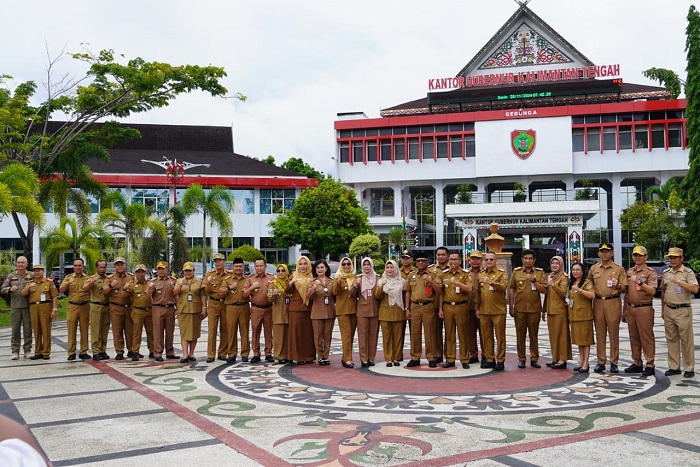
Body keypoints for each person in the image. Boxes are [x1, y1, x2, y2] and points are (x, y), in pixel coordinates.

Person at [587, 243, 627, 373]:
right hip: (598, 302)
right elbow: (589, 285)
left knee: (613, 333)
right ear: (598, 253)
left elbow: (625, 288)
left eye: (607, 251)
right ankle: (601, 361)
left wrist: (618, 285)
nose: (604, 254)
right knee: (600, 333)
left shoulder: (619, 269)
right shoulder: (594, 269)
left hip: (613, 302)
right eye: (602, 251)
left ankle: (614, 362)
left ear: (612, 253)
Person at [661, 247, 698, 378]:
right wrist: (662, 308)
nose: (672, 260)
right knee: (671, 339)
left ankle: (689, 367)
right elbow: (663, 291)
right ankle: (674, 366)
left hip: (683, 309)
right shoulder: (666, 273)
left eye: (675, 257)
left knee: (686, 340)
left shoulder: (687, 272)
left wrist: (680, 282)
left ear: (681, 258)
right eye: (670, 257)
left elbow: (695, 288)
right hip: (669, 309)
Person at [508, 249, 546, 369]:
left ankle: (534, 358)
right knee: (520, 335)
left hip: (534, 309)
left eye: (530, 258)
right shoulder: (516, 272)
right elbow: (512, 289)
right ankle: (522, 358)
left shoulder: (539, 273)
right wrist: (511, 306)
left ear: (534, 260)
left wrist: (534, 280)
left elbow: (544, 290)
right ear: (522, 259)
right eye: (526, 258)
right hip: (520, 309)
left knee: (534, 335)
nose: (528, 261)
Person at [623, 246, 658, 376]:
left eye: (640, 255)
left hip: (644, 307)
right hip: (631, 307)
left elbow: (653, 291)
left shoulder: (650, 272)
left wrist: (640, 283)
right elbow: (626, 293)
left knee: (646, 336)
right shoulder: (629, 272)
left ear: (646, 257)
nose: (637, 257)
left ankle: (650, 364)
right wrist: (624, 310)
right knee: (634, 336)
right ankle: (637, 362)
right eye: (635, 255)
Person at [404, 252, 442, 368]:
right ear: (416, 262)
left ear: (427, 262)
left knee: (430, 332)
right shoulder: (411, 275)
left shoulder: (433, 274)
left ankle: (431, 357)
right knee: (415, 332)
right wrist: (407, 308)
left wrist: (430, 281)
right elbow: (408, 292)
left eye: (423, 261)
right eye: (419, 261)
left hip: (428, 306)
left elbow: (439, 290)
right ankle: (415, 357)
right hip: (415, 306)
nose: (420, 263)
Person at [440, 251, 473, 368]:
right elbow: (441, 292)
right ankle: (450, 358)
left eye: (455, 259)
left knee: (463, 333)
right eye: (451, 259)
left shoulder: (465, 274)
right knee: (449, 333)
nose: (453, 262)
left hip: (461, 306)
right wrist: (440, 308)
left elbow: (469, 288)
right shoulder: (444, 274)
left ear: (460, 261)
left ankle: (464, 359)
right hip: (447, 306)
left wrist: (458, 283)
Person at [477, 251, 508, 371]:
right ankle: (489, 359)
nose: (489, 261)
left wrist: (492, 283)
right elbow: (478, 294)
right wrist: (477, 308)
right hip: (484, 310)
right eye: (487, 259)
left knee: (500, 337)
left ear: (496, 261)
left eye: (491, 259)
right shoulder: (481, 275)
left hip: (498, 310)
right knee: (486, 336)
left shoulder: (501, 274)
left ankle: (500, 360)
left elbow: (504, 287)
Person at [21, 264, 58, 360]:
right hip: (33, 307)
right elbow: (23, 293)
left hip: (45, 306)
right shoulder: (30, 282)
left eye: (39, 270)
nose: (37, 272)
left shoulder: (49, 282)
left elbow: (54, 296)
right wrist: (29, 287)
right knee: (36, 330)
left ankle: (46, 352)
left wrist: (54, 309)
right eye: (35, 271)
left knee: (45, 330)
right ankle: (38, 351)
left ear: (43, 271)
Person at [243, 258, 274, 363]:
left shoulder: (271, 277)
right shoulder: (250, 279)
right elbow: (244, 294)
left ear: (265, 266)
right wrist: (252, 288)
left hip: (269, 308)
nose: (259, 268)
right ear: (254, 267)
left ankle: (268, 353)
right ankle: (256, 353)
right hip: (256, 308)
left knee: (269, 331)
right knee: (255, 331)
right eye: (257, 266)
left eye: (261, 266)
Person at [1, 256, 33, 360]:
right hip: (15, 307)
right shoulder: (11, 276)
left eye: (22, 262)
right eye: (18, 262)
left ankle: (27, 350)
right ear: (16, 264)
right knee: (15, 330)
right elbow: (3, 288)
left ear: (26, 264)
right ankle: (15, 351)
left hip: (28, 307)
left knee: (28, 330)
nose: (20, 264)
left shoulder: (31, 275)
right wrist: (10, 289)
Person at [174, 262, 206, 363]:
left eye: (189, 271)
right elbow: (174, 293)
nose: (187, 273)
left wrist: (204, 308)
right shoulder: (179, 281)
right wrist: (180, 286)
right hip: (183, 310)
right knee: (184, 333)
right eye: (185, 271)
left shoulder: (199, 281)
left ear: (193, 271)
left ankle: (191, 353)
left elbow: (203, 295)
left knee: (194, 332)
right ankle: (185, 354)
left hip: (195, 310)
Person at [219, 258, 250, 363]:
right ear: (232, 267)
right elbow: (220, 293)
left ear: (243, 267)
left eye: (240, 266)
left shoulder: (247, 279)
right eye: (236, 266)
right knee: (231, 331)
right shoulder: (227, 280)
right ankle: (231, 354)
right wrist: (229, 288)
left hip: (244, 307)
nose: (238, 268)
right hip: (231, 307)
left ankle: (245, 354)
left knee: (244, 331)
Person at [102, 257, 134, 360]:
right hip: (116, 307)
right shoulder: (110, 278)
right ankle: (119, 351)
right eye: (117, 264)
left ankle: (131, 350)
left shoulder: (131, 277)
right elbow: (105, 291)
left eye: (122, 264)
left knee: (130, 330)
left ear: (125, 265)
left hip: (128, 307)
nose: (120, 266)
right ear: (114, 266)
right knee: (117, 330)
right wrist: (111, 286)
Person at [60, 258, 92, 360]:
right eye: (75, 265)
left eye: (79, 265)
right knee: (71, 329)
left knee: (84, 329)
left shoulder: (87, 278)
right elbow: (61, 290)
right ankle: (71, 352)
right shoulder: (68, 277)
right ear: (73, 267)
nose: (77, 267)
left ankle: (84, 351)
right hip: (72, 306)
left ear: (83, 266)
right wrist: (68, 283)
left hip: (85, 306)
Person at [286, 256, 315, 364]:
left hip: (309, 309)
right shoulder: (293, 276)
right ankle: (298, 357)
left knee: (308, 334)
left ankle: (309, 356)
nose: (303, 266)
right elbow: (287, 291)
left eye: (305, 264)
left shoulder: (313, 276)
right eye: (301, 264)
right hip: (296, 309)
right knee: (296, 334)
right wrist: (291, 283)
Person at [377, 260, 406, 367]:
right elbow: (377, 296)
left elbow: (404, 296)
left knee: (398, 337)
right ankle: (388, 358)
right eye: (387, 267)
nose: (389, 269)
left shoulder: (402, 281)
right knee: (387, 337)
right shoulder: (381, 281)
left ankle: (396, 357)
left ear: (396, 268)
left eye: (391, 267)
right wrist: (381, 287)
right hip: (385, 312)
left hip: (398, 311)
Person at [544, 256, 571, 369]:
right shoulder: (551, 276)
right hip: (551, 310)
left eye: (557, 263)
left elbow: (563, 293)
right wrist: (543, 310)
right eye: (553, 263)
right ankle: (555, 358)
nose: (554, 265)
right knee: (553, 336)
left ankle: (562, 359)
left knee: (562, 336)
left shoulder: (563, 277)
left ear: (561, 265)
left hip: (560, 310)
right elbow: (547, 295)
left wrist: (553, 284)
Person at [568, 262, 595, 372]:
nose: (575, 272)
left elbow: (592, 295)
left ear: (583, 271)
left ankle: (586, 363)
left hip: (584, 316)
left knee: (585, 341)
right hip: (574, 315)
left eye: (578, 269)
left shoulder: (586, 283)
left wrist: (580, 290)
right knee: (579, 341)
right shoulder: (572, 282)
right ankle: (581, 361)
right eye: (573, 269)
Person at [308, 259, 336, 365]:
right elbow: (308, 296)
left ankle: (326, 356)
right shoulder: (312, 282)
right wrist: (314, 287)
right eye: (318, 267)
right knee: (318, 336)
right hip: (317, 312)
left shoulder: (331, 281)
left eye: (322, 267)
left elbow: (335, 296)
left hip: (329, 312)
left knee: (327, 335)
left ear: (326, 268)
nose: (320, 269)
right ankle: (320, 355)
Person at [124, 264, 155, 362]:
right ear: (135, 273)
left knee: (151, 332)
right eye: (138, 272)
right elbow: (124, 296)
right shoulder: (132, 284)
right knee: (136, 332)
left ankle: (152, 350)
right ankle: (135, 351)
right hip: (137, 311)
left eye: (142, 272)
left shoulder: (150, 283)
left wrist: (150, 289)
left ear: (145, 273)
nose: (140, 274)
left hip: (149, 310)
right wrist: (125, 288)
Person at [150, 261, 178, 362]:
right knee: (158, 332)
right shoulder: (153, 282)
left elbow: (176, 296)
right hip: (158, 308)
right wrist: (150, 289)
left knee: (170, 332)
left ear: (167, 269)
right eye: (159, 269)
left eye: (163, 268)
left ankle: (170, 352)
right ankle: (157, 353)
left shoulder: (173, 281)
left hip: (170, 308)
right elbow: (148, 296)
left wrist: (177, 309)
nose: (161, 271)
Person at [204, 253, 230, 363]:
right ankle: (210, 354)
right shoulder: (209, 275)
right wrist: (209, 283)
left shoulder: (229, 275)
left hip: (225, 303)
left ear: (224, 262)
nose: (218, 263)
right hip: (213, 303)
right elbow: (205, 292)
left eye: (220, 260)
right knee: (212, 330)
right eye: (216, 261)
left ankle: (222, 353)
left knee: (225, 329)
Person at [333, 256, 358, 368]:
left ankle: (345, 357)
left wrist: (356, 285)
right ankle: (348, 359)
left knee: (351, 335)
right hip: (342, 310)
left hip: (353, 309)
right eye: (344, 264)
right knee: (346, 335)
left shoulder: (355, 277)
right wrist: (338, 281)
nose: (346, 266)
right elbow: (335, 292)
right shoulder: (337, 277)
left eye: (348, 264)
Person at [84, 260, 111, 361]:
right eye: (100, 267)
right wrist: (91, 282)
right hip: (96, 306)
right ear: (96, 268)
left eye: (104, 267)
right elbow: (84, 289)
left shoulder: (108, 278)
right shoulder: (92, 278)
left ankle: (102, 350)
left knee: (105, 330)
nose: (102, 269)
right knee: (96, 330)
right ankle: (95, 351)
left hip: (106, 306)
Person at [428, 247, 450, 364]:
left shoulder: (452, 269)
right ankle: (437, 354)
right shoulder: (431, 270)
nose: (441, 257)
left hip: (449, 305)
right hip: (434, 304)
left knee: (449, 331)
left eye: (443, 254)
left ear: (447, 256)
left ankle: (449, 355)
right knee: (435, 332)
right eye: (439, 255)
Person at [357, 257, 380, 367]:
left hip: (375, 310)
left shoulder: (378, 278)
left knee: (373, 335)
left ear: (372, 266)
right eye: (364, 265)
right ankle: (364, 358)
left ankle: (371, 358)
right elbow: (352, 294)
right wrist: (354, 284)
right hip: (362, 311)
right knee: (362, 335)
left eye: (368, 264)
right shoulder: (359, 279)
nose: (366, 267)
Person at [268, 264, 290, 364]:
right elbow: (269, 298)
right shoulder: (273, 284)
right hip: (278, 314)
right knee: (279, 337)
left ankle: (288, 355)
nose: (281, 273)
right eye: (278, 271)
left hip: (289, 312)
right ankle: (279, 356)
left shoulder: (289, 283)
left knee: (288, 336)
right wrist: (274, 294)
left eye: (283, 271)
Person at [466, 250, 484, 364]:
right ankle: (473, 355)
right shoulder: (465, 273)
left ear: (481, 261)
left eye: (478, 259)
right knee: (470, 333)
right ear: (469, 260)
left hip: (483, 308)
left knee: (484, 333)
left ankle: (486, 355)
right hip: (468, 307)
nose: (475, 261)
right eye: (473, 259)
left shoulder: (486, 273)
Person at [398, 250, 416, 361]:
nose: (405, 260)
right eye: (403, 258)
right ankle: (398, 355)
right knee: (399, 332)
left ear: (411, 259)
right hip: (399, 305)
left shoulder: (416, 271)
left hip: (413, 305)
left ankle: (414, 356)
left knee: (414, 331)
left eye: (407, 258)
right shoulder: (396, 271)